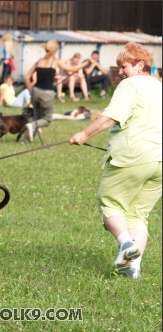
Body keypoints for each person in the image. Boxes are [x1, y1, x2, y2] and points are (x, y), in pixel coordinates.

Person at [69, 42, 162, 279]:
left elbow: (110, 117)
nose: (120, 72)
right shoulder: (159, 87)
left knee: (110, 203)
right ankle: (133, 267)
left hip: (132, 157)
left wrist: (84, 134)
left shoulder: (130, 85)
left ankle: (126, 245)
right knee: (138, 215)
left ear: (140, 65)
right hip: (159, 161)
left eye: (124, 66)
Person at [22, 40, 92, 142]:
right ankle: (31, 125)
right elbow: (72, 69)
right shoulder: (55, 61)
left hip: (35, 92)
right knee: (47, 119)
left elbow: (27, 77)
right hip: (47, 94)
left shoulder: (39, 61)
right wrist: (86, 63)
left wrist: (31, 90)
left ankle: (25, 140)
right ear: (55, 50)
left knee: (38, 116)